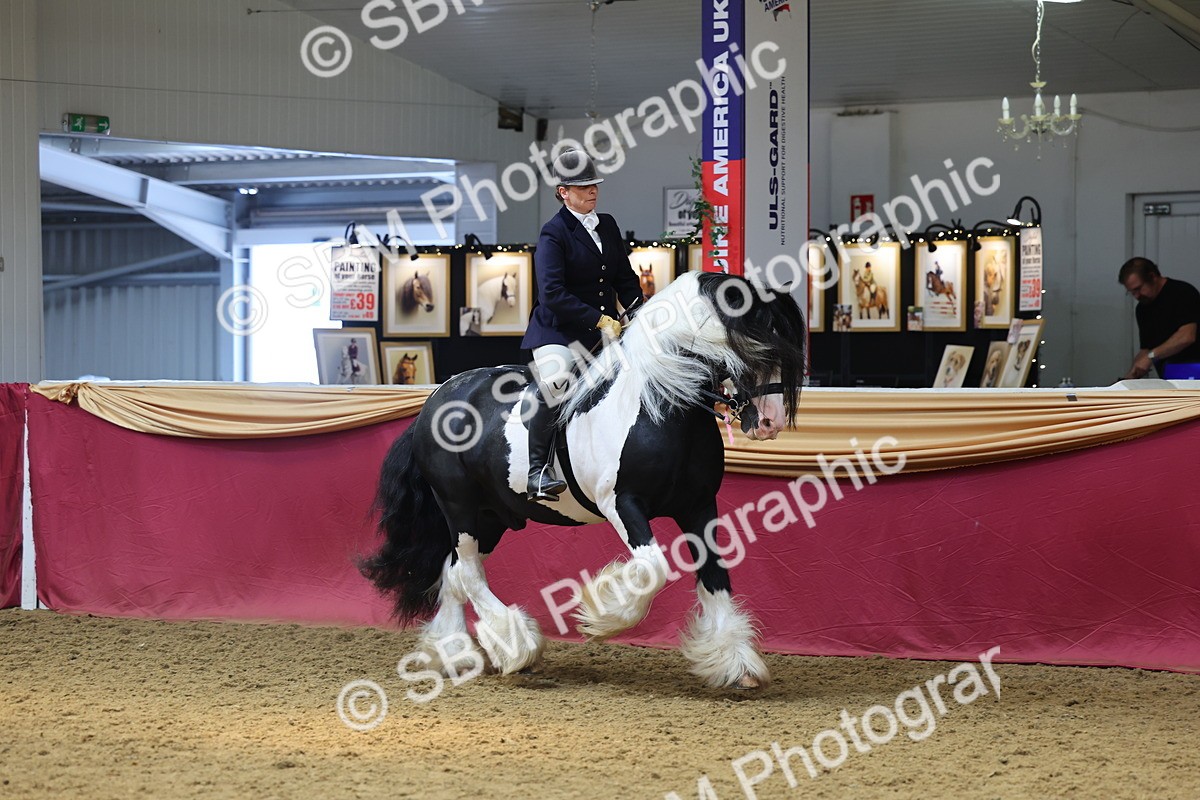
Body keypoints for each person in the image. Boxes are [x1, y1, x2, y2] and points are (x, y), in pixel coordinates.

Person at [519, 148, 644, 501]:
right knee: (557, 383)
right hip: (559, 331)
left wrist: (638, 310)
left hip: (604, 332)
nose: (593, 191)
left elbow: (623, 276)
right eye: (584, 186)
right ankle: (538, 471)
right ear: (563, 192)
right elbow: (552, 293)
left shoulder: (607, 224)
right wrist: (599, 318)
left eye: (594, 185)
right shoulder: (553, 233)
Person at [1118, 257, 1200, 379]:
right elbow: (1146, 349)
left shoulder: (1182, 293)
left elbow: (1187, 336)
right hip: (1169, 375)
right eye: (1131, 292)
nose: (1137, 296)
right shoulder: (1142, 309)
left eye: (1138, 289)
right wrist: (1127, 380)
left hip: (1194, 371)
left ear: (1152, 276)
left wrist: (1151, 356)